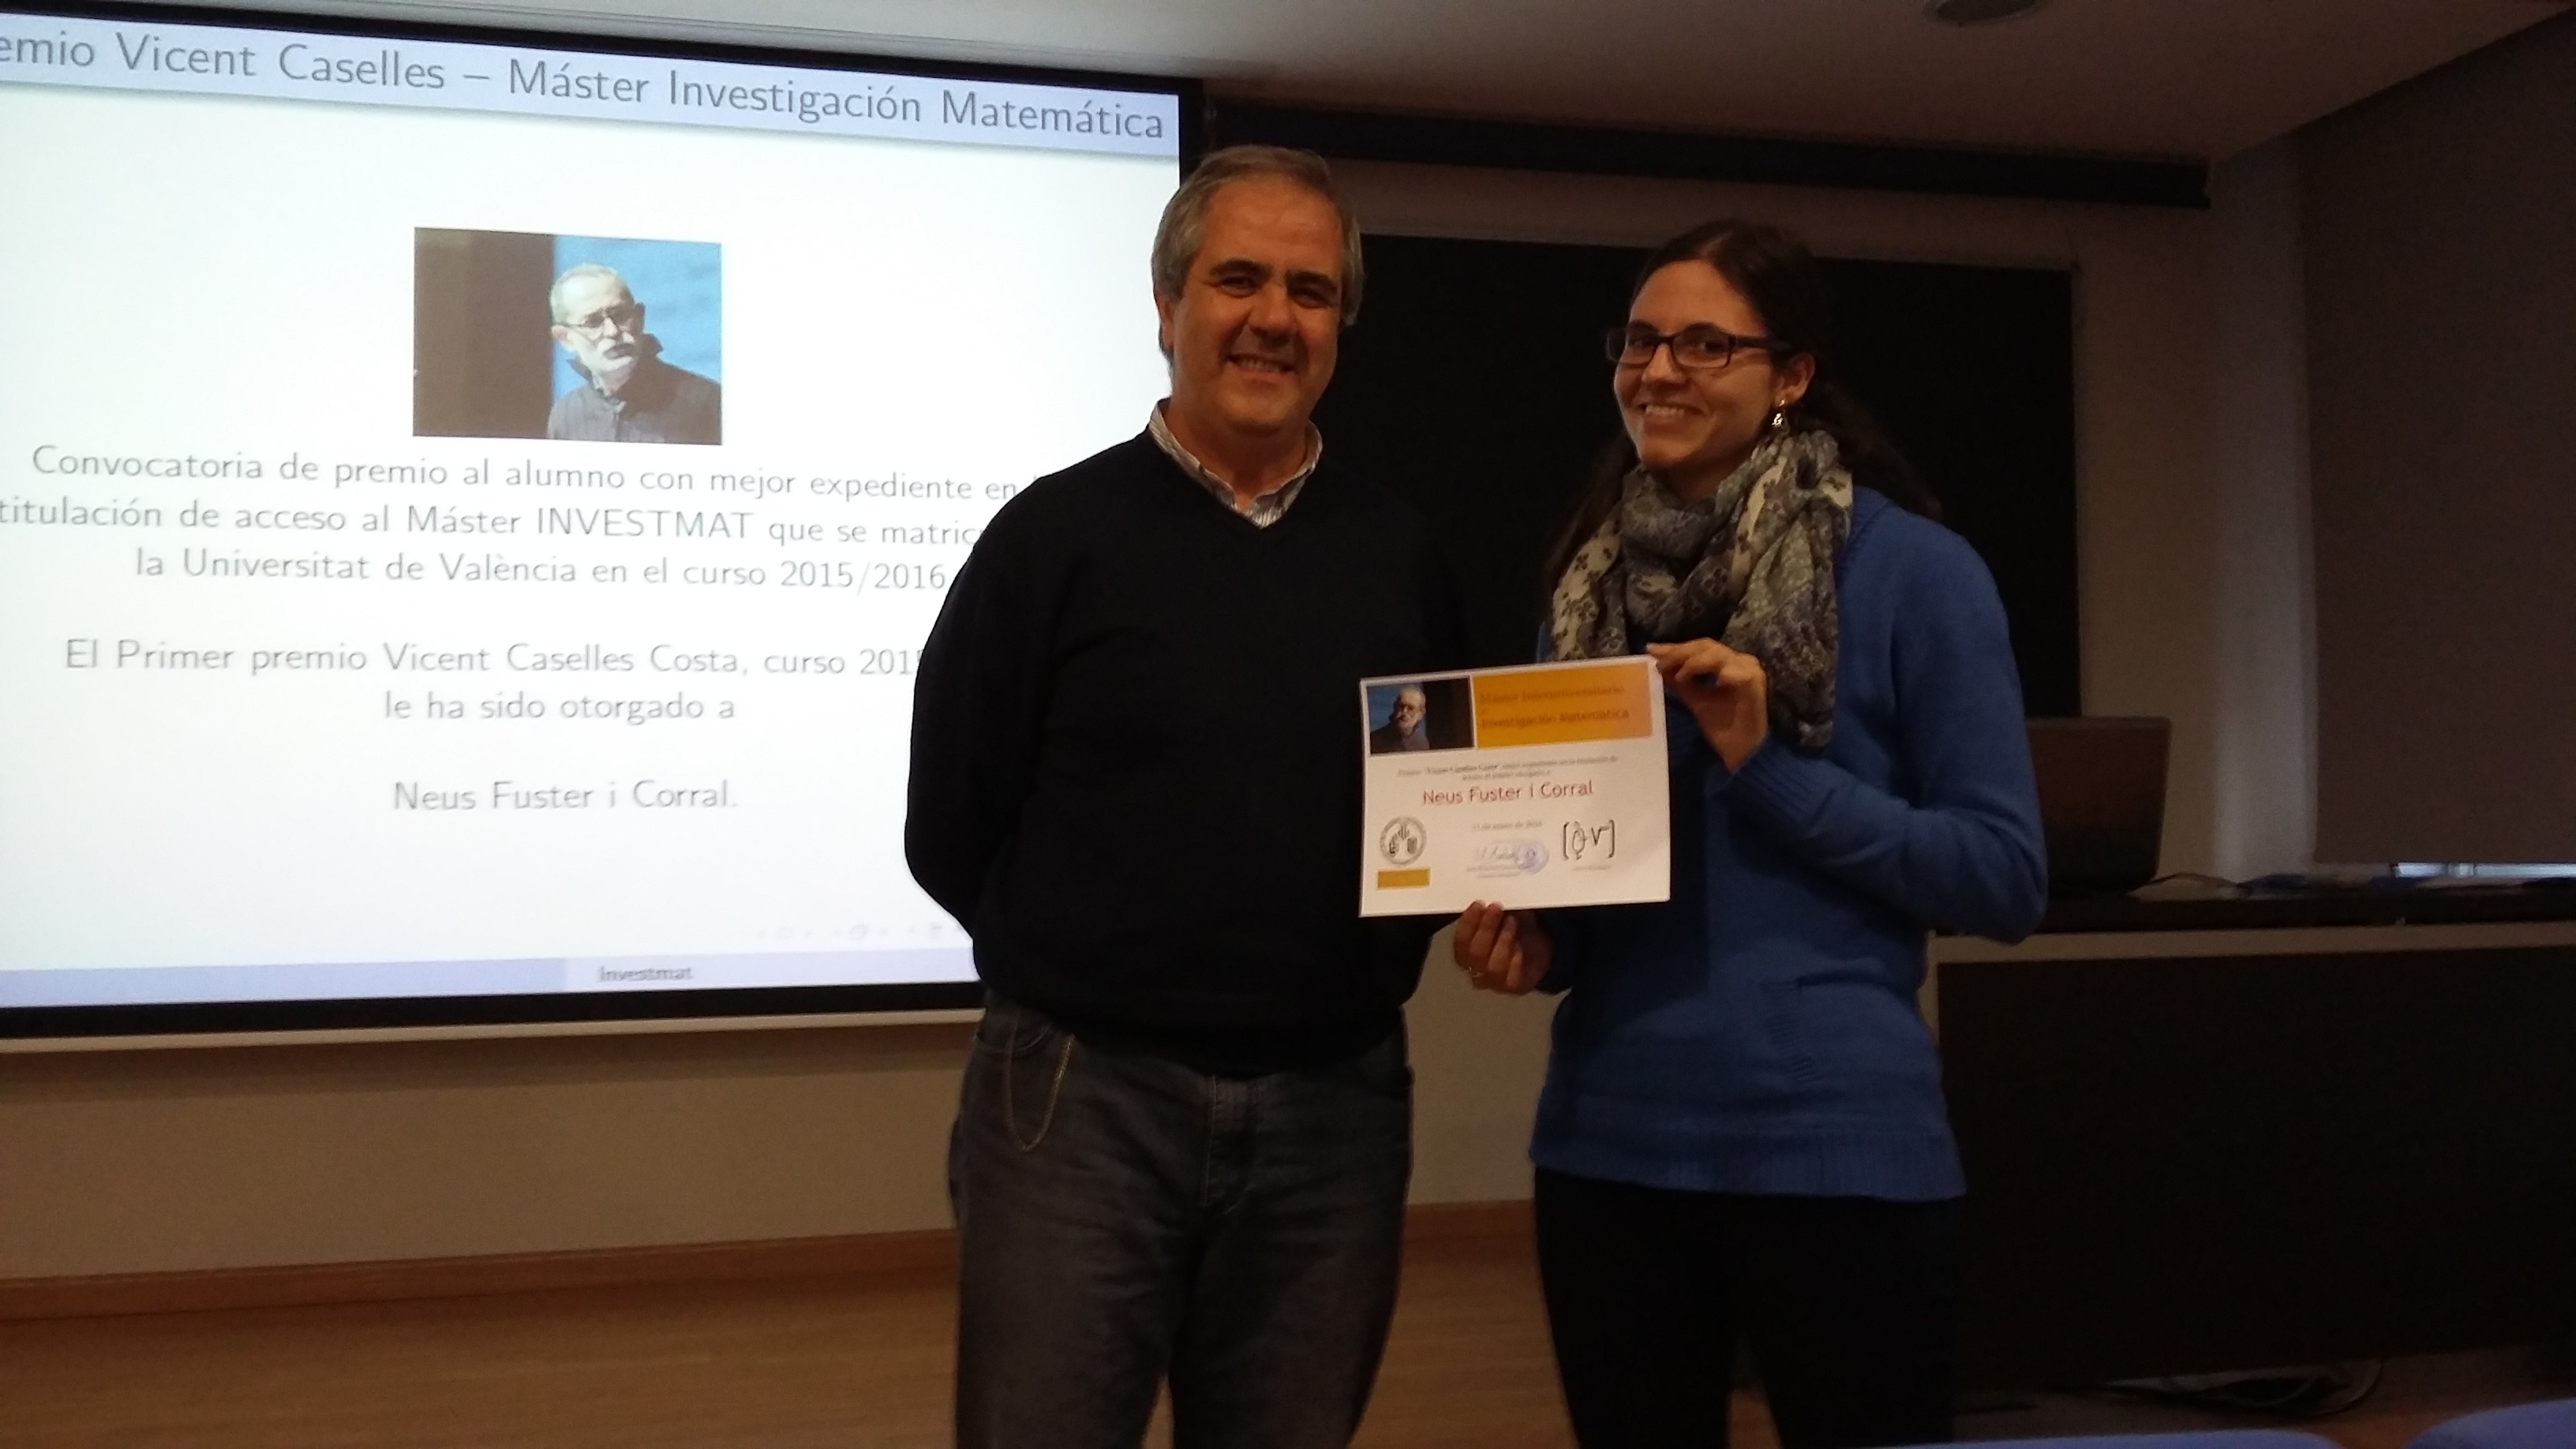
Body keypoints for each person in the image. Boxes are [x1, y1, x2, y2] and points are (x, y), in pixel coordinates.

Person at [1453, 219, 2047, 1449]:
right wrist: (1539, 946)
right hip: (1608, 1159)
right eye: (1640, 342)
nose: (1659, 370)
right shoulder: (1587, 590)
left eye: (1705, 344)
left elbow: (2003, 878)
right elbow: (1599, 883)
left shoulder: (1917, 573)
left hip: (1841, 1165)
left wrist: (1763, 768)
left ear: (1792, 375)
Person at [906, 145, 1465, 1449]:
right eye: (1238, 279)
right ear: (1167, 306)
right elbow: (951, 819)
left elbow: (1441, 807)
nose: (1274, 317)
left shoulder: (1402, 555)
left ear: (1341, 325)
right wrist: (1095, 958)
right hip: (1080, 1103)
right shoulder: (1051, 538)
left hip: (1334, 1109)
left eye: (1311, 291)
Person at [545, 262, 721, 444]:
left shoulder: (708, 401)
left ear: (640, 317)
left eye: (620, 315)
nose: (612, 331)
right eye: (593, 322)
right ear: (564, 338)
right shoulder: (565, 415)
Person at [1368, 683, 1432, 754]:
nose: (1404, 712)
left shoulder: (1422, 744)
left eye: (1410, 708)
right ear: (1395, 707)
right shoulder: (1374, 740)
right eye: (1401, 706)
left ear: (1421, 714)